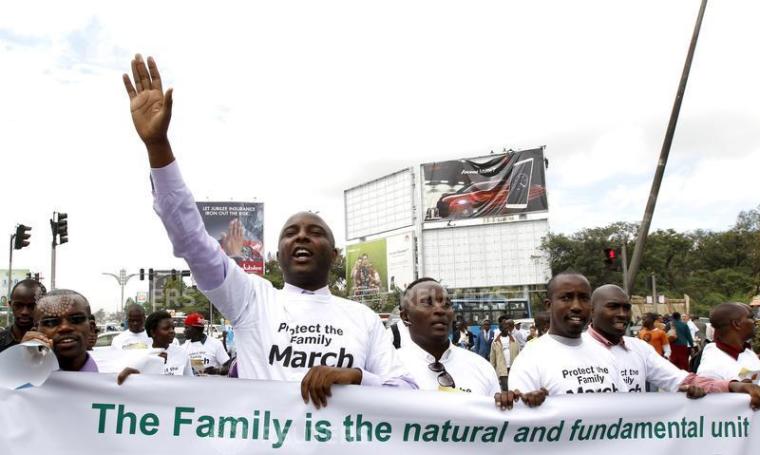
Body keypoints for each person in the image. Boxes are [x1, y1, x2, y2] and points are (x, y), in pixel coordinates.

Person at [122, 54, 415, 408]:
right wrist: (158, 148)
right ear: (277, 255)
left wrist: (355, 377)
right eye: (291, 232)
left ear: (335, 256)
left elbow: (408, 395)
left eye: (315, 232)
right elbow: (192, 241)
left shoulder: (364, 319)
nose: (302, 236)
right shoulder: (251, 299)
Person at [584, 285, 760, 408]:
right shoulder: (573, 349)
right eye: (613, 307)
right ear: (592, 310)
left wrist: (733, 386)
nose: (622, 314)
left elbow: (684, 381)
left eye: (626, 308)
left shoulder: (639, 349)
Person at [508, 272, 626, 396]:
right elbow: (522, 410)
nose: (576, 306)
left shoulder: (605, 355)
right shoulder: (529, 360)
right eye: (566, 298)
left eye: (584, 298)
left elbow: (626, 406)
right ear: (549, 306)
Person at [397, 278, 501, 395]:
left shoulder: (482, 368)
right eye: (427, 303)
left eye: (447, 304)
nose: (440, 310)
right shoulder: (389, 369)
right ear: (406, 317)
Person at [21, 289, 98, 372]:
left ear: (91, 328)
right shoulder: (17, 378)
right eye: (51, 322)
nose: (65, 327)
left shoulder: (112, 375)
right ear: (36, 332)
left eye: (76, 319)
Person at [698, 302, 760, 383]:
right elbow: (708, 389)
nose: (755, 321)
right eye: (751, 317)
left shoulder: (746, 351)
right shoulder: (711, 365)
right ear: (736, 324)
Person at [0, 279, 46, 353]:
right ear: (10, 305)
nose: (24, 312)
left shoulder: (52, 342)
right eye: (18, 305)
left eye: (32, 306)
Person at [490, 316, 520, 391]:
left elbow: (518, 354)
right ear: (500, 329)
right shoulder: (495, 342)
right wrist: (492, 370)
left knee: (514, 387)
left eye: (507, 327)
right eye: (504, 327)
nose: (507, 329)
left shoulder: (514, 340)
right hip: (502, 369)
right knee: (506, 388)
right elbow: (492, 358)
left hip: (513, 368)